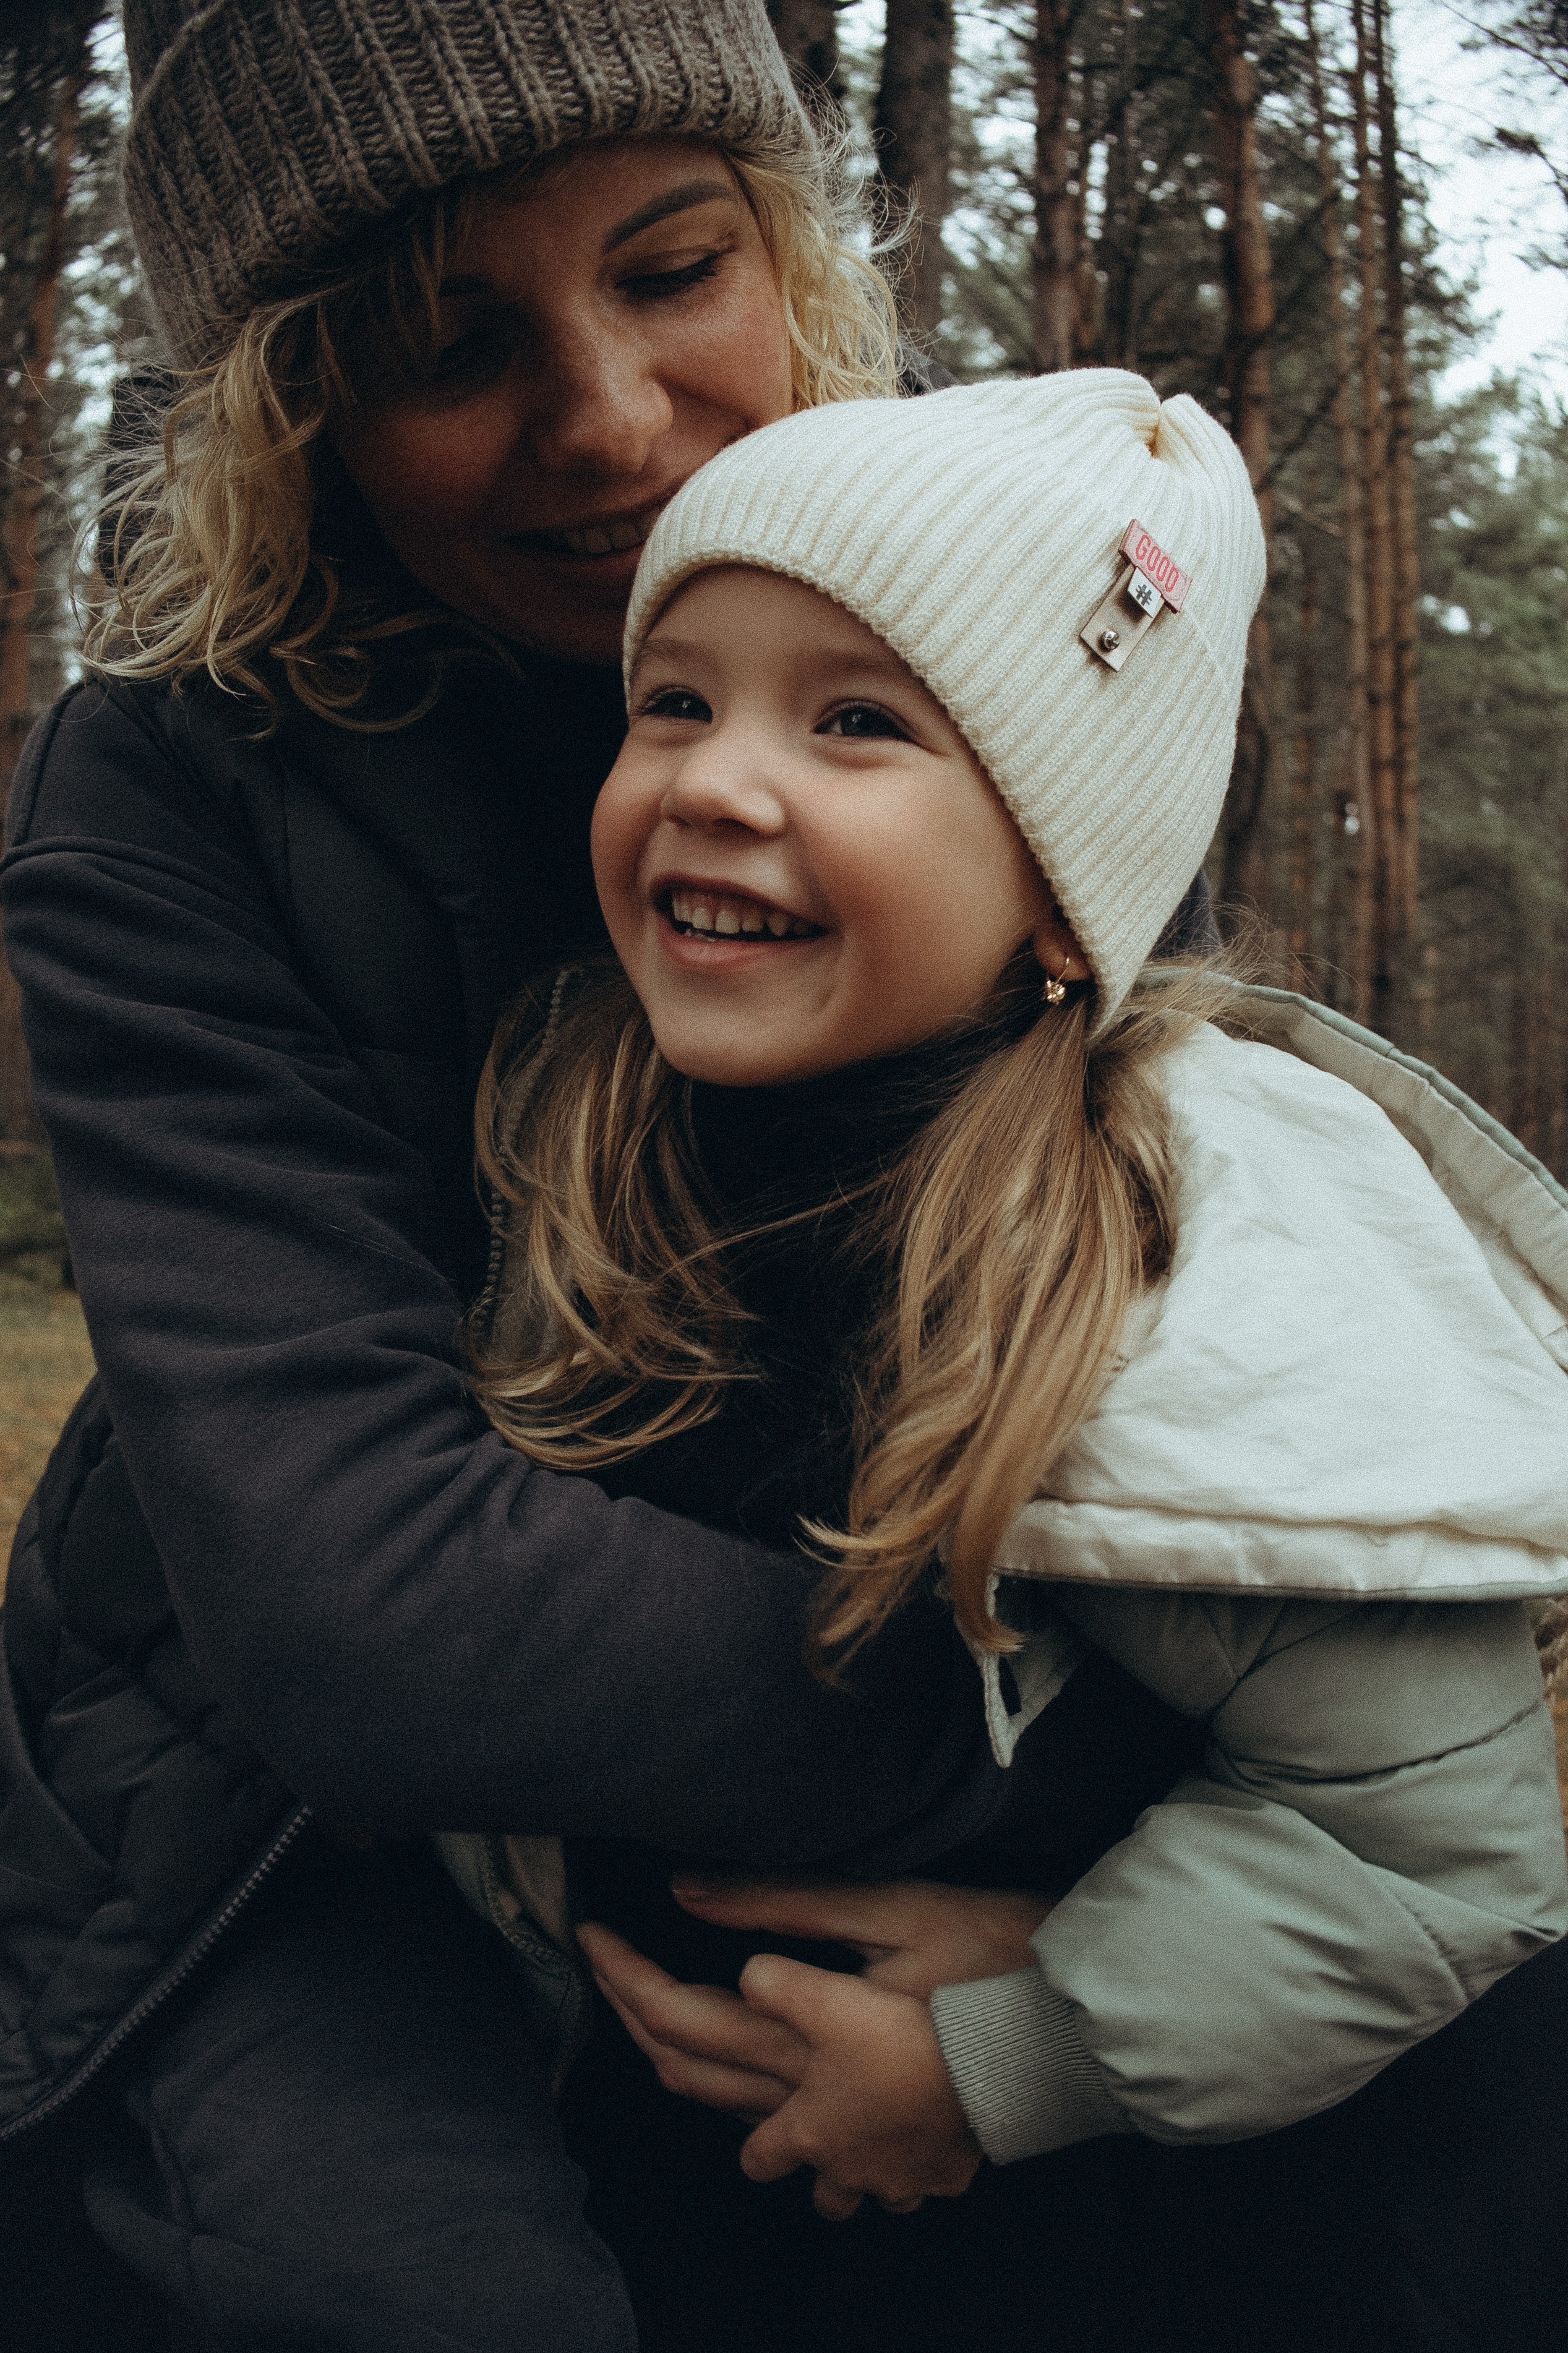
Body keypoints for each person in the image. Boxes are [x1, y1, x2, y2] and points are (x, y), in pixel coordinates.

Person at [0, 7, 1210, 2349]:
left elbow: (1180, 1363)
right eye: (451, 344)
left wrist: (1102, 1944)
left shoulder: (1011, 671)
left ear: (791, 256)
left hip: (848, 1702)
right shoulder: (167, 797)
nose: (611, 415)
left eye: (673, 270)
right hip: (270, 1830)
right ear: (299, 411)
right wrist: (1015, 1750)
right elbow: (359, 1604)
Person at [457, 371, 1568, 2350]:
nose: (716, 780)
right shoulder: (605, 1145)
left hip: (1195, 2224)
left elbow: (1431, 1838)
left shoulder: (1175, 1262)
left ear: (1064, 884)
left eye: (856, 722)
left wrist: (1010, 2052)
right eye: (678, 700)